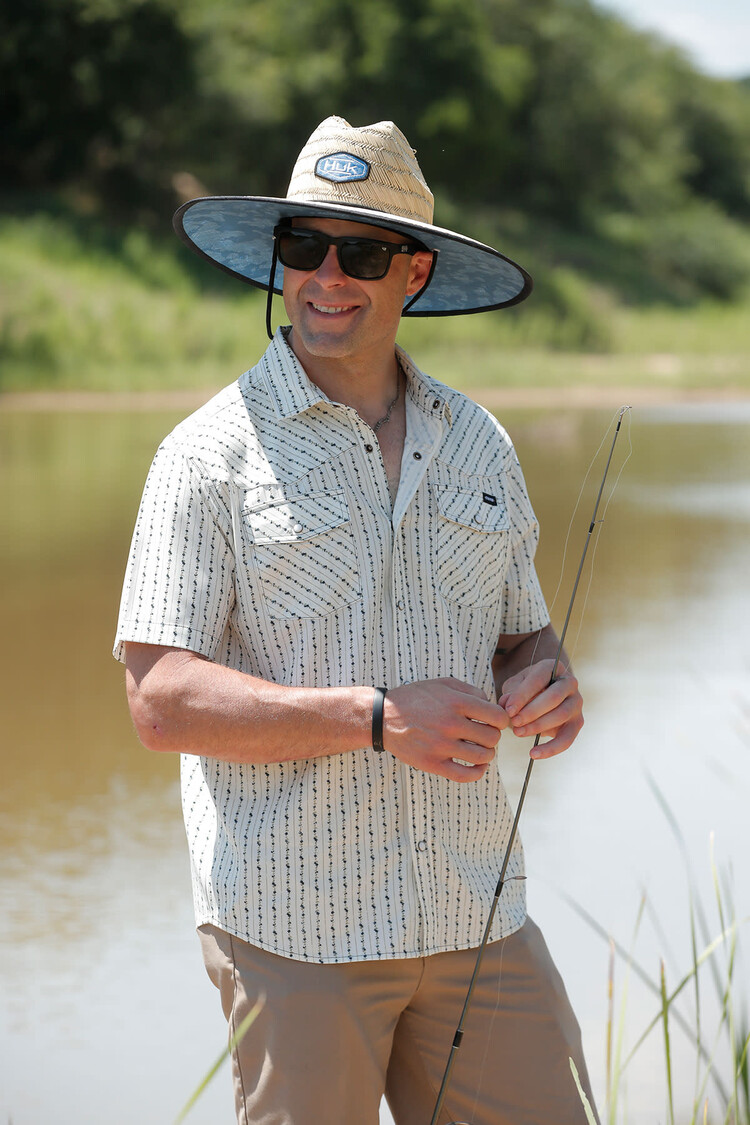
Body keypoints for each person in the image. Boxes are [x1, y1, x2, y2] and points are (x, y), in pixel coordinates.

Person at [115, 116, 597, 1125]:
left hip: (479, 914)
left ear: (413, 274)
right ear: (279, 260)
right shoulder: (204, 456)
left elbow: (523, 632)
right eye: (303, 246)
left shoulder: (480, 441)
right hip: (293, 933)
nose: (326, 276)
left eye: (362, 253)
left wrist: (546, 678)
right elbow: (160, 702)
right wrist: (377, 716)